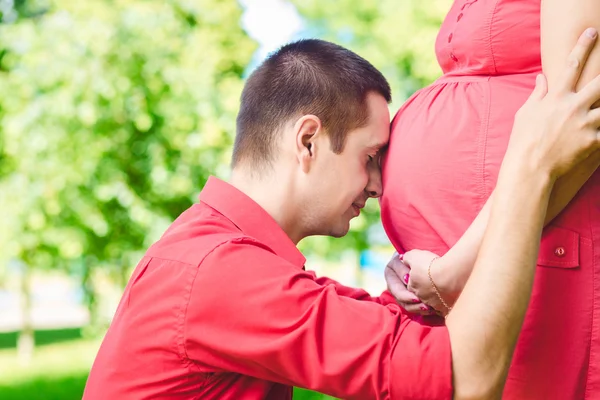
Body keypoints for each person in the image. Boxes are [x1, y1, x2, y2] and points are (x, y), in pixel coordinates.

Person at [83, 35, 600, 399]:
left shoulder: (215, 253)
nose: (377, 186)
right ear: (307, 140)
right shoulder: (215, 273)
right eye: (369, 156)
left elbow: (371, 334)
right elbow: (465, 381)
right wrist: (529, 167)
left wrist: (420, 297)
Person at [382, 0, 600, 398]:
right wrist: (416, 272)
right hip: (469, 268)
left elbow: (584, 119)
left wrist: (454, 270)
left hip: (538, 245)